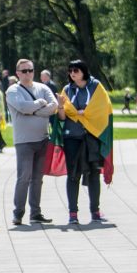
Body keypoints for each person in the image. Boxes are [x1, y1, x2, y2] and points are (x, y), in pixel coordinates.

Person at [57, 60, 112, 225]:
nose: (72, 73)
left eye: (76, 70)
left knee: (94, 173)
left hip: (92, 136)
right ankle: (73, 213)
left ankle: (95, 211)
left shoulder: (96, 87)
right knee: (73, 175)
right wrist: (60, 107)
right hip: (72, 137)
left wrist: (83, 114)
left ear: (84, 71)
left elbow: (103, 108)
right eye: (70, 71)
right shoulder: (67, 90)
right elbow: (62, 117)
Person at [5, 59, 58, 225]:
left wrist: (33, 111)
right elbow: (22, 107)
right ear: (18, 73)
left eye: (30, 70)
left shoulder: (42, 87)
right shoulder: (12, 90)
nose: (28, 73)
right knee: (24, 177)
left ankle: (35, 213)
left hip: (43, 139)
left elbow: (54, 106)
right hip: (24, 142)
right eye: (24, 71)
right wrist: (39, 104)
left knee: (38, 178)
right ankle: (18, 213)